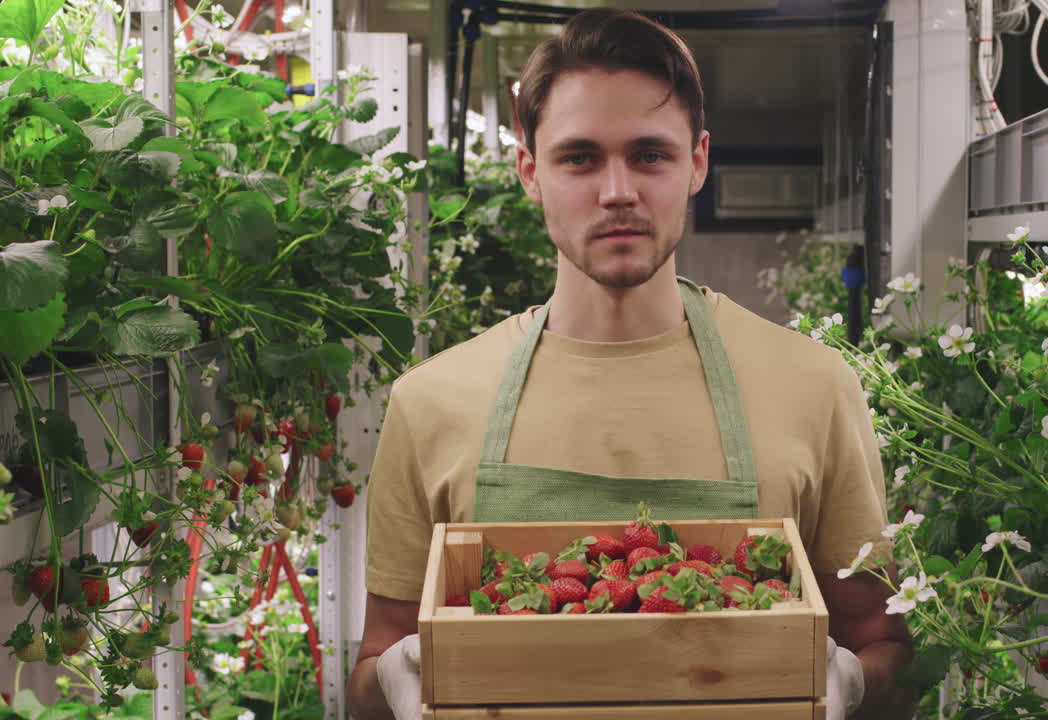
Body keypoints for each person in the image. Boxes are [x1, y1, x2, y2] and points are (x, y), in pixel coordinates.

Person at [346, 7, 915, 719]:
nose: (617, 190)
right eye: (579, 157)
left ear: (697, 162)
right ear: (530, 171)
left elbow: (885, 648)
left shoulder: (815, 387)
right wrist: (393, 680)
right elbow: (372, 670)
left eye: (649, 155)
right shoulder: (430, 401)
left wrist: (854, 683)